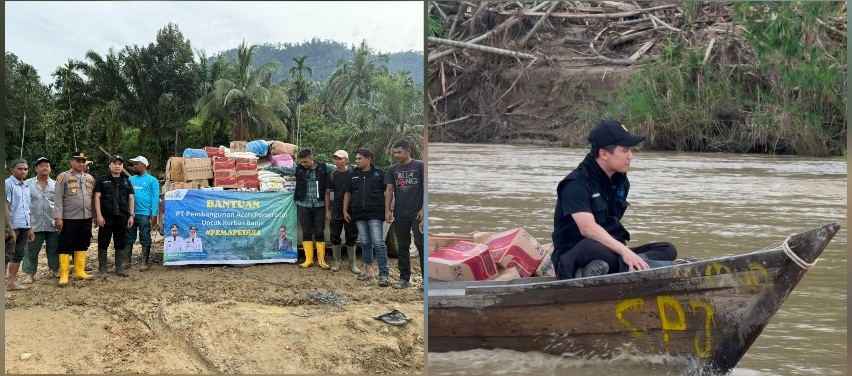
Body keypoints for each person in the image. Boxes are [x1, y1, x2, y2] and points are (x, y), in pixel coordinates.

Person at [551, 120, 677, 279]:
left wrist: (625, 252)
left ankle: (627, 266)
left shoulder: (621, 182)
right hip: (576, 256)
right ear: (604, 154)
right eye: (625, 150)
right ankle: (635, 267)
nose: (630, 156)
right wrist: (625, 252)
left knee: (667, 249)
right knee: (590, 248)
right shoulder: (576, 183)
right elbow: (587, 229)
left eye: (630, 150)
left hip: (611, 252)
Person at [265, 148, 331, 269]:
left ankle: (321, 260)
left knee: (319, 232)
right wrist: (265, 168)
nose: (303, 164)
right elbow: (283, 169)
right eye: (302, 162)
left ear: (312, 158)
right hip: (303, 204)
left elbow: (340, 168)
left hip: (320, 205)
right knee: (306, 231)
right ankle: (308, 260)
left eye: (305, 161)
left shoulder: (324, 167)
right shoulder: (298, 168)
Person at [343, 148, 390, 287]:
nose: (356, 161)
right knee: (365, 243)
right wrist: (345, 210)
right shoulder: (352, 176)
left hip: (375, 213)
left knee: (378, 243)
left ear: (368, 159)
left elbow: (388, 191)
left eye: (359, 158)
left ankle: (384, 274)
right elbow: (348, 193)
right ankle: (369, 272)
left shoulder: (379, 174)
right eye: (356, 158)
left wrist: (387, 210)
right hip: (358, 214)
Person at [384, 140, 424, 289]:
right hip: (400, 213)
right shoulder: (392, 169)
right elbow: (389, 190)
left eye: (399, 152)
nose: (396, 155)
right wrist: (388, 210)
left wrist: (423, 211)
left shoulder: (420, 166)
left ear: (408, 151)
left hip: (417, 213)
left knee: (421, 245)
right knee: (402, 246)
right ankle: (404, 279)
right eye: (395, 153)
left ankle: (426, 280)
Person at [54, 151, 96, 286]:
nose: (81, 163)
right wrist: (58, 217)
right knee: (66, 244)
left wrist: (94, 215)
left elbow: (93, 199)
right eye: (78, 161)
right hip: (69, 217)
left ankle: (79, 272)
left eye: (83, 161)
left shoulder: (89, 178)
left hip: (86, 217)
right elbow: (58, 199)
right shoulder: (63, 177)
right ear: (71, 162)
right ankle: (64, 275)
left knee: (83, 243)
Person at [94, 155, 134, 277]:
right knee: (103, 242)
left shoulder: (127, 181)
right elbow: (97, 197)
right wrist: (99, 215)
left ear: (122, 166)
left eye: (120, 164)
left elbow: (131, 198)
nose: (117, 166)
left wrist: (131, 215)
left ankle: (119, 268)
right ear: (110, 165)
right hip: (106, 217)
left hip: (122, 216)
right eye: (115, 163)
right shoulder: (102, 180)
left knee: (120, 242)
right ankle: (103, 269)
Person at [22, 157, 60, 282]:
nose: (44, 167)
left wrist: (60, 220)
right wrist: (28, 226)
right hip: (34, 224)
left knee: (54, 248)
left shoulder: (56, 184)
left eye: (47, 165)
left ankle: (55, 269)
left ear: (50, 169)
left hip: (53, 223)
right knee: (31, 250)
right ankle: (30, 273)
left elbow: (60, 205)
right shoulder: (27, 184)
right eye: (41, 165)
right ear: (36, 169)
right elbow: (24, 205)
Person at [324, 150, 360, 274]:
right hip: (337, 209)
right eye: (335, 159)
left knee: (351, 234)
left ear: (346, 160)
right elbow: (327, 193)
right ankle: (337, 261)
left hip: (352, 208)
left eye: (340, 159)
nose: (337, 161)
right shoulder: (332, 174)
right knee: (335, 234)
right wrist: (327, 210)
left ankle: (352, 263)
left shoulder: (353, 172)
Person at [125, 156, 159, 271]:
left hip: (145, 214)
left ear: (144, 165)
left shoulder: (152, 181)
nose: (134, 166)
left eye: (136, 164)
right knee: (128, 236)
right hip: (131, 214)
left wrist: (154, 214)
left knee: (145, 236)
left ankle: (144, 262)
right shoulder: (130, 180)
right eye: (134, 164)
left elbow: (155, 198)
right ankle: (127, 260)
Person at [6, 159, 32, 297]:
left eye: (25, 169)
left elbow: (27, 208)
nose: (23, 171)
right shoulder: (7, 184)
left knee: (18, 254)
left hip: (25, 226)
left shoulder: (26, 186)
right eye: (20, 169)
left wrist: (31, 227)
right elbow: (6, 208)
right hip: (13, 226)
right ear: (12, 170)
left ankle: (11, 283)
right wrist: (10, 229)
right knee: (5, 256)